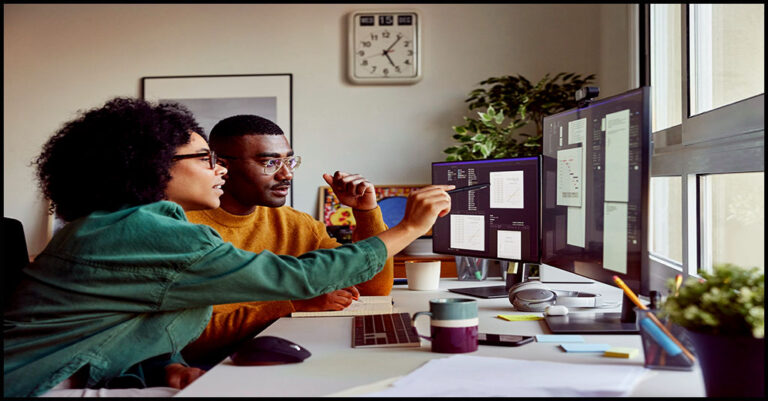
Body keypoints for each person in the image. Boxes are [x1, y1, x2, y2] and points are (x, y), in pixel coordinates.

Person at [3, 97, 453, 397]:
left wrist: (165, 366)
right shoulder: (141, 231)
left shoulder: (123, 226)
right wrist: (410, 225)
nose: (216, 170)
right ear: (151, 167)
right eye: (205, 159)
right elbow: (297, 278)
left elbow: (133, 322)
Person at [182, 115, 393, 362]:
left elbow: (372, 289)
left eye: (289, 161)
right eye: (270, 163)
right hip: (213, 368)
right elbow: (190, 339)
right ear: (223, 167)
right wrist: (294, 303)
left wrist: (366, 213)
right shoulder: (183, 228)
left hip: (288, 352)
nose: (287, 175)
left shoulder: (297, 224)